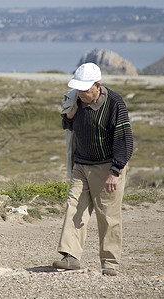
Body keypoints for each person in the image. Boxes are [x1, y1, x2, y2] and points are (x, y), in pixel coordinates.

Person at [53, 62, 133, 276]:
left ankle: (110, 263)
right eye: (78, 88)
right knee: (74, 207)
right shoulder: (75, 99)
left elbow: (124, 140)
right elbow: (68, 125)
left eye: (85, 89)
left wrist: (115, 171)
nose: (80, 93)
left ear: (98, 86)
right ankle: (70, 256)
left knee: (108, 215)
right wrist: (70, 114)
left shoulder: (115, 103)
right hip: (81, 164)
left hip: (107, 166)